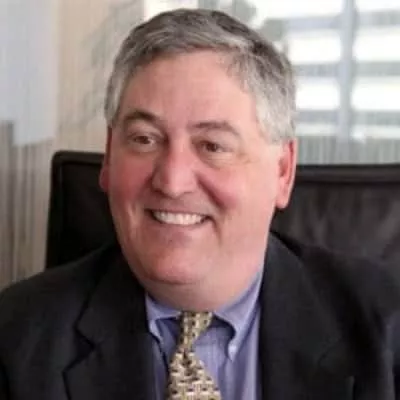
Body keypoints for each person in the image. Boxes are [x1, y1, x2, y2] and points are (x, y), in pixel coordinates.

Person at [0, 8, 400, 400]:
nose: (172, 182)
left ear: (282, 170)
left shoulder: (387, 327)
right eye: (144, 139)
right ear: (109, 156)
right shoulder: (14, 339)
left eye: (212, 146)